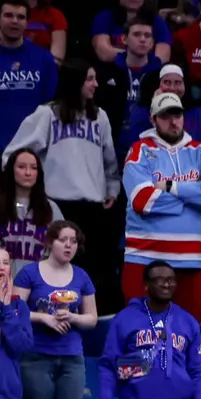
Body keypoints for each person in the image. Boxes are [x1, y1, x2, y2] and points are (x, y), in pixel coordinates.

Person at [5, 58, 120, 298]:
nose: (96, 84)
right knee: (56, 276)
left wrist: (112, 188)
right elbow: (12, 154)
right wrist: (22, 187)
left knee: (88, 277)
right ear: (75, 81)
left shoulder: (100, 117)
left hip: (93, 207)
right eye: (89, 79)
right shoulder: (47, 114)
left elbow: (110, 160)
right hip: (58, 206)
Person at [121, 91, 201, 320]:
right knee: (140, 333)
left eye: (177, 115)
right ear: (153, 119)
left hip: (192, 260)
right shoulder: (139, 152)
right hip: (143, 257)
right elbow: (142, 200)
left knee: (187, 335)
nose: (173, 121)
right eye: (165, 116)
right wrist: (192, 198)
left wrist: (169, 186)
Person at [98, 259, 201, 399]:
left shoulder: (188, 321)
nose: (166, 284)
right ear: (146, 285)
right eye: (160, 280)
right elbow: (109, 365)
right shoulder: (125, 319)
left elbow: (197, 370)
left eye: (171, 280)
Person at [15, 218, 95, 399]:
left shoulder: (82, 276)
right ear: (50, 243)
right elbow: (15, 312)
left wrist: (73, 318)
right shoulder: (29, 273)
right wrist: (44, 318)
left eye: (74, 241)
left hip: (72, 359)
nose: (69, 245)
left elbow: (92, 318)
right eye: (63, 240)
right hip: (36, 356)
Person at [94, 13, 161, 142]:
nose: (143, 39)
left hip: (150, 144)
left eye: (147, 36)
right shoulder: (107, 72)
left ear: (152, 42)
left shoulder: (160, 74)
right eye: (137, 35)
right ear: (124, 39)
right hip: (113, 142)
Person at [0, 0, 57, 152]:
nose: (14, 21)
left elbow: (50, 107)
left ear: (27, 22)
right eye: (8, 15)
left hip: (32, 152)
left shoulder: (44, 59)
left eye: (20, 17)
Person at [91, 0, 171, 65]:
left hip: (148, 75)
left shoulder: (157, 21)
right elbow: (104, 53)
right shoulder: (105, 17)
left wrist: (129, 56)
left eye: (147, 35)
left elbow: (162, 58)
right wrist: (140, 56)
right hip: (113, 73)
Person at [0, 245, 28, 399]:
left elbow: (20, 347)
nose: (1, 267)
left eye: (5, 262)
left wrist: (7, 307)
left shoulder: (19, 307)